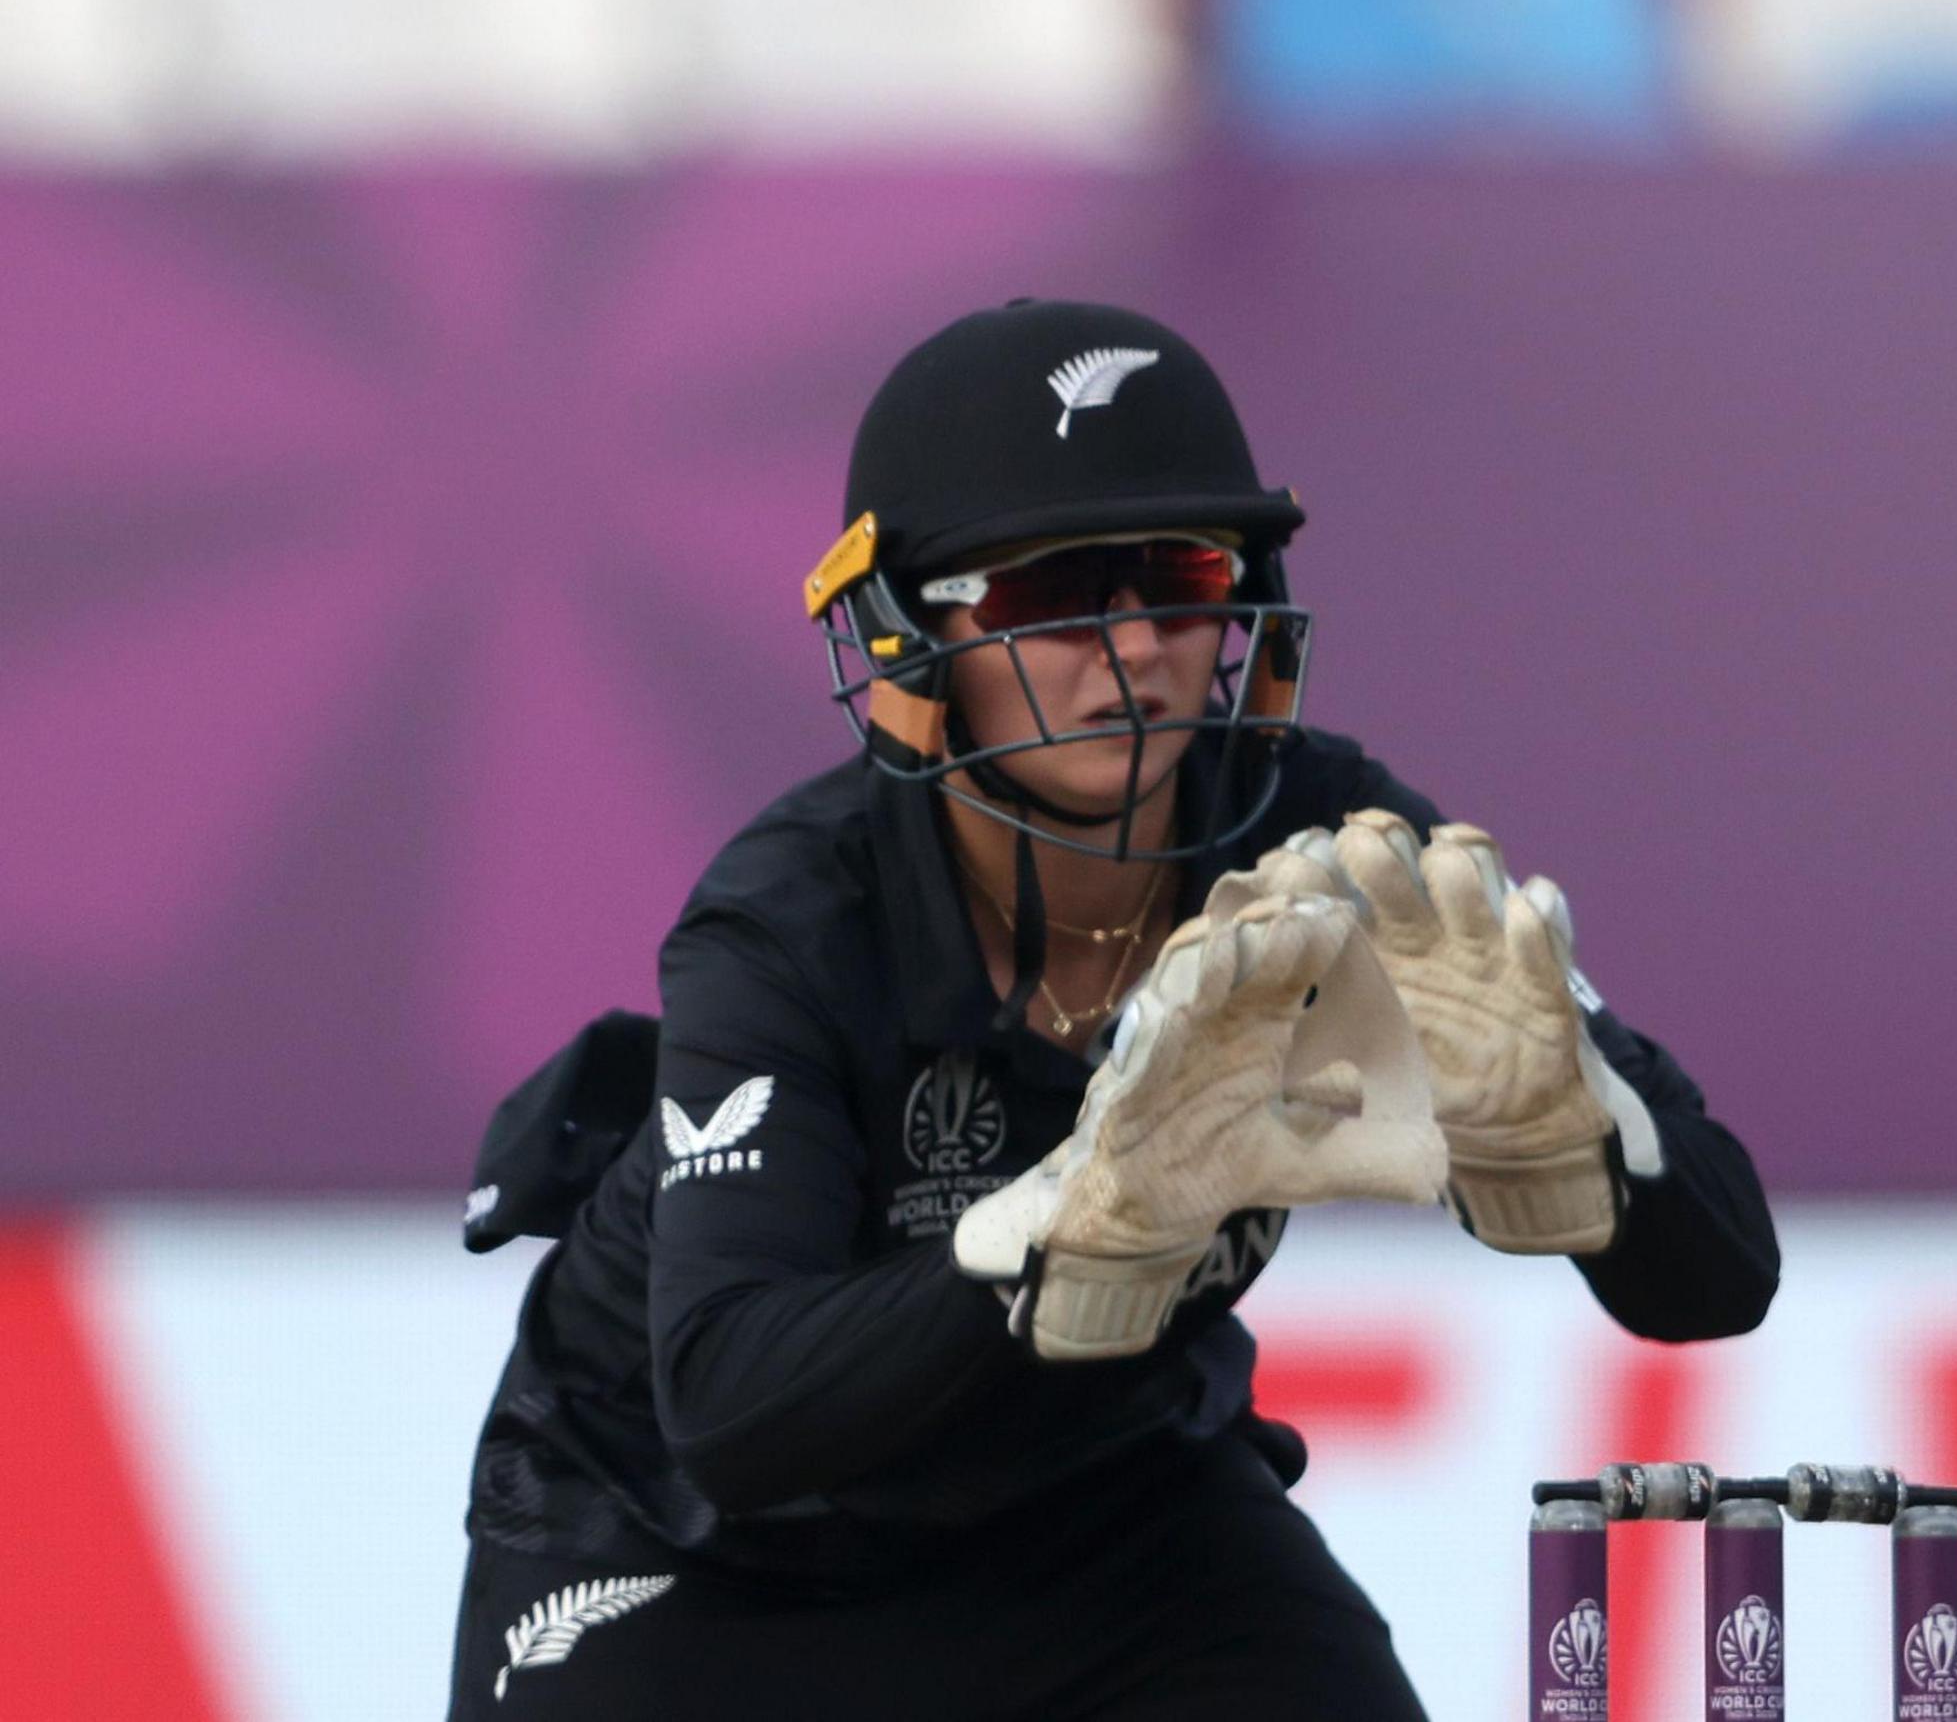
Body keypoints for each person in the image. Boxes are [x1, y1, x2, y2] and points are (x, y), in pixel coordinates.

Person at [448, 298, 1778, 1719]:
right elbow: (729, 1412)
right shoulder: (787, 922)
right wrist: (1062, 1233)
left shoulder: (1331, 838)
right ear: (904, 639)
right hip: (692, 1561)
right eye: (1047, 598)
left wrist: (1582, 1151)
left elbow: (1727, 1272)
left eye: (1182, 577)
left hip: (1110, 1523)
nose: (1135, 648)